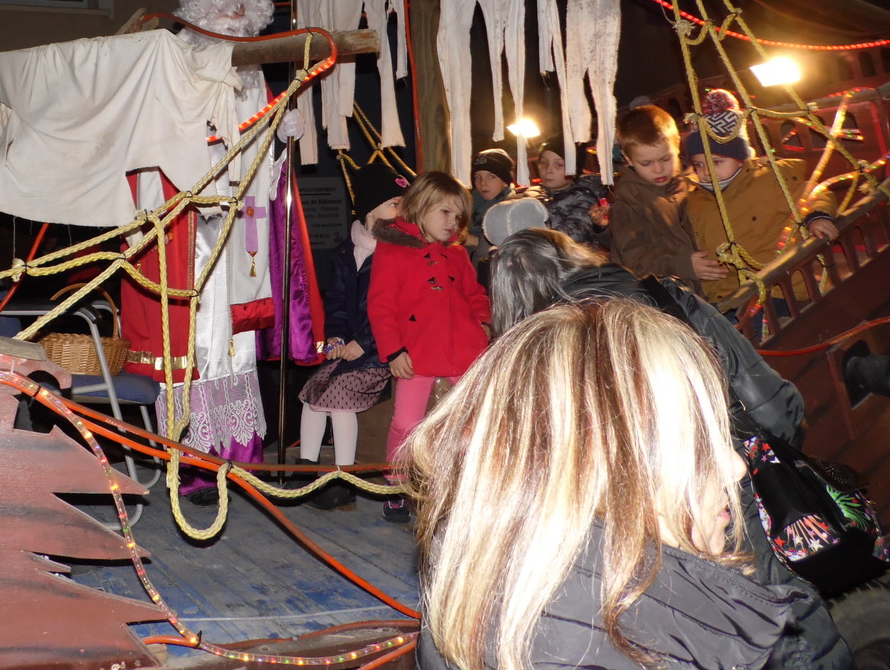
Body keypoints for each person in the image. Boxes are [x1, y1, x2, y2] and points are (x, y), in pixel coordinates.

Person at [487, 228, 852, 670]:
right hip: (714, 493)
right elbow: (773, 407)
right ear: (576, 254)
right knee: (776, 614)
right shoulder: (663, 298)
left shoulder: (523, 360)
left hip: (614, 533)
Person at [406, 299, 795, 670]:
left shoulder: (498, 585)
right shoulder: (598, 644)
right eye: (697, 442)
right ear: (603, 471)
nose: (735, 467)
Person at [368, 170, 490, 523]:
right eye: (445, 212)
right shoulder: (392, 251)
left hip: (465, 352)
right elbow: (381, 305)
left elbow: (475, 294)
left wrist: (483, 321)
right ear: (420, 207)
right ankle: (396, 485)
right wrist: (393, 351)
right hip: (417, 353)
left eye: (458, 216)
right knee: (406, 423)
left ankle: (472, 484)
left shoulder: (457, 255)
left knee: (474, 420)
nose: (452, 223)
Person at [297, 161, 407, 510]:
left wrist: (365, 343)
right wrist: (336, 337)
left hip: (382, 350)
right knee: (313, 392)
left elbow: (396, 309)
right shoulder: (348, 251)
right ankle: (307, 467)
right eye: (394, 203)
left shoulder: (399, 251)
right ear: (371, 208)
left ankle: (344, 476)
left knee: (339, 396)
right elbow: (338, 301)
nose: (400, 210)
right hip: (353, 349)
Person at [682, 89, 838, 305]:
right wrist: (688, 264)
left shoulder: (767, 181)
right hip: (726, 292)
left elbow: (811, 194)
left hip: (779, 287)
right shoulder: (694, 200)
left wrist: (817, 216)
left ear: (741, 159)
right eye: (699, 164)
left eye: (716, 162)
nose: (706, 171)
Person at [610, 103, 717, 294]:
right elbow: (633, 261)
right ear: (628, 158)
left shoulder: (692, 182)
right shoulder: (627, 201)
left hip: (709, 289)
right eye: (646, 163)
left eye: (666, 159)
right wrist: (681, 265)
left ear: (677, 144)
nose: (658, 169)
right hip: (669, 296)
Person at [532, 133, 610, 249]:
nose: (548, 170)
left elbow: (570, 238)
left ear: (573, 169)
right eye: (544, 163)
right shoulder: (532, 195)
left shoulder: (584, 198)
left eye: (559, 165)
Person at [464, 148, 517, 250]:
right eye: (477, 177)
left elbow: (511, 247)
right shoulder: (466, 203)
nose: (483, 183)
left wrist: (473, 241)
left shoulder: (513, 210)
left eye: (491, 177)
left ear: (505, 181)